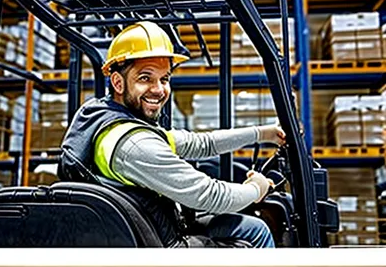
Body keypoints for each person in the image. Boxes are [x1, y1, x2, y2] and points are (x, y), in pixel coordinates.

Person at [59, 21, 286, 248]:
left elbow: (201, 144)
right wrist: (257, 188)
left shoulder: (114, 121)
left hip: (156, 228)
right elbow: (210, 195)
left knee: (254, 228)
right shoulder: (135, 144)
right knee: (257, 236)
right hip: (165, 246)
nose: (159, 90)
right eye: (145, 78)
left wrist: (263, 133)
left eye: (164, 79)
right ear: (118, 82)